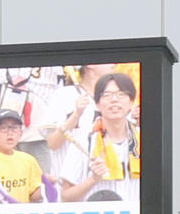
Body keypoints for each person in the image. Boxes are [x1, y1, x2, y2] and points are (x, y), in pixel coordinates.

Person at [59, 73, 141, 203]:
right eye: (107, 95)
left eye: (121, 94)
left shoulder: (145, 141)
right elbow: (65, 197)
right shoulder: (83, 142)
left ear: (131, 102)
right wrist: (93, 179)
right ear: (97, 104)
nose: (114, 100)